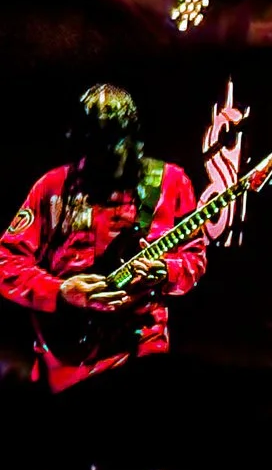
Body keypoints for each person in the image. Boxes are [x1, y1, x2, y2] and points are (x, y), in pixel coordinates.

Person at [0, 85, 206, 391]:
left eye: (110, 145)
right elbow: (6, 264)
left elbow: (194, 259)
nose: (99, 159)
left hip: (139, 349)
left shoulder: (170, 183)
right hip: (64, 359)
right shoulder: (51, 187)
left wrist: (167, 271)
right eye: (91, 146)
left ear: (132, 138)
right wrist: (60, 291)